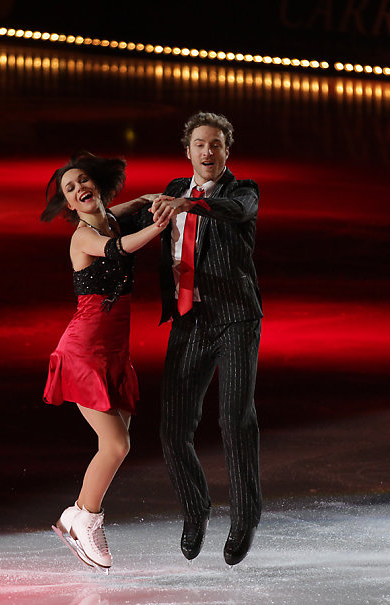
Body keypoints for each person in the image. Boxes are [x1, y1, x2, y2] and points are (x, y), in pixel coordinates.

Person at [42, 152, 169, 572]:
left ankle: (75, 515)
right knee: (116, 444)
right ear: (69, 205)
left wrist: (147, 201)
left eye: (82, 181)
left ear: (95, 184)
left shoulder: (109, 216)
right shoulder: (84, 236)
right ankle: (86, 521)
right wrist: (157, 225)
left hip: (115, 351)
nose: (79, 189)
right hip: (85, 350)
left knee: (117, 444)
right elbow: (117, 248)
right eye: (70, 189)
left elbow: (122, 212)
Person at [148, 112, 263, 566]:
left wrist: (189, 206)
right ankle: (196, 509)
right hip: (189, 320)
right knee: (173, 429)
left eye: (216, 144)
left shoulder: (242, 191)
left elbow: (236, 213)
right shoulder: (172, 190)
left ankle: (245, 517)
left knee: (235, 421)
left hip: (235, 319)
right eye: (200, 144)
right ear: (188, 150)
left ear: (226, 150)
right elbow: (129, 221)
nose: (208, 152)